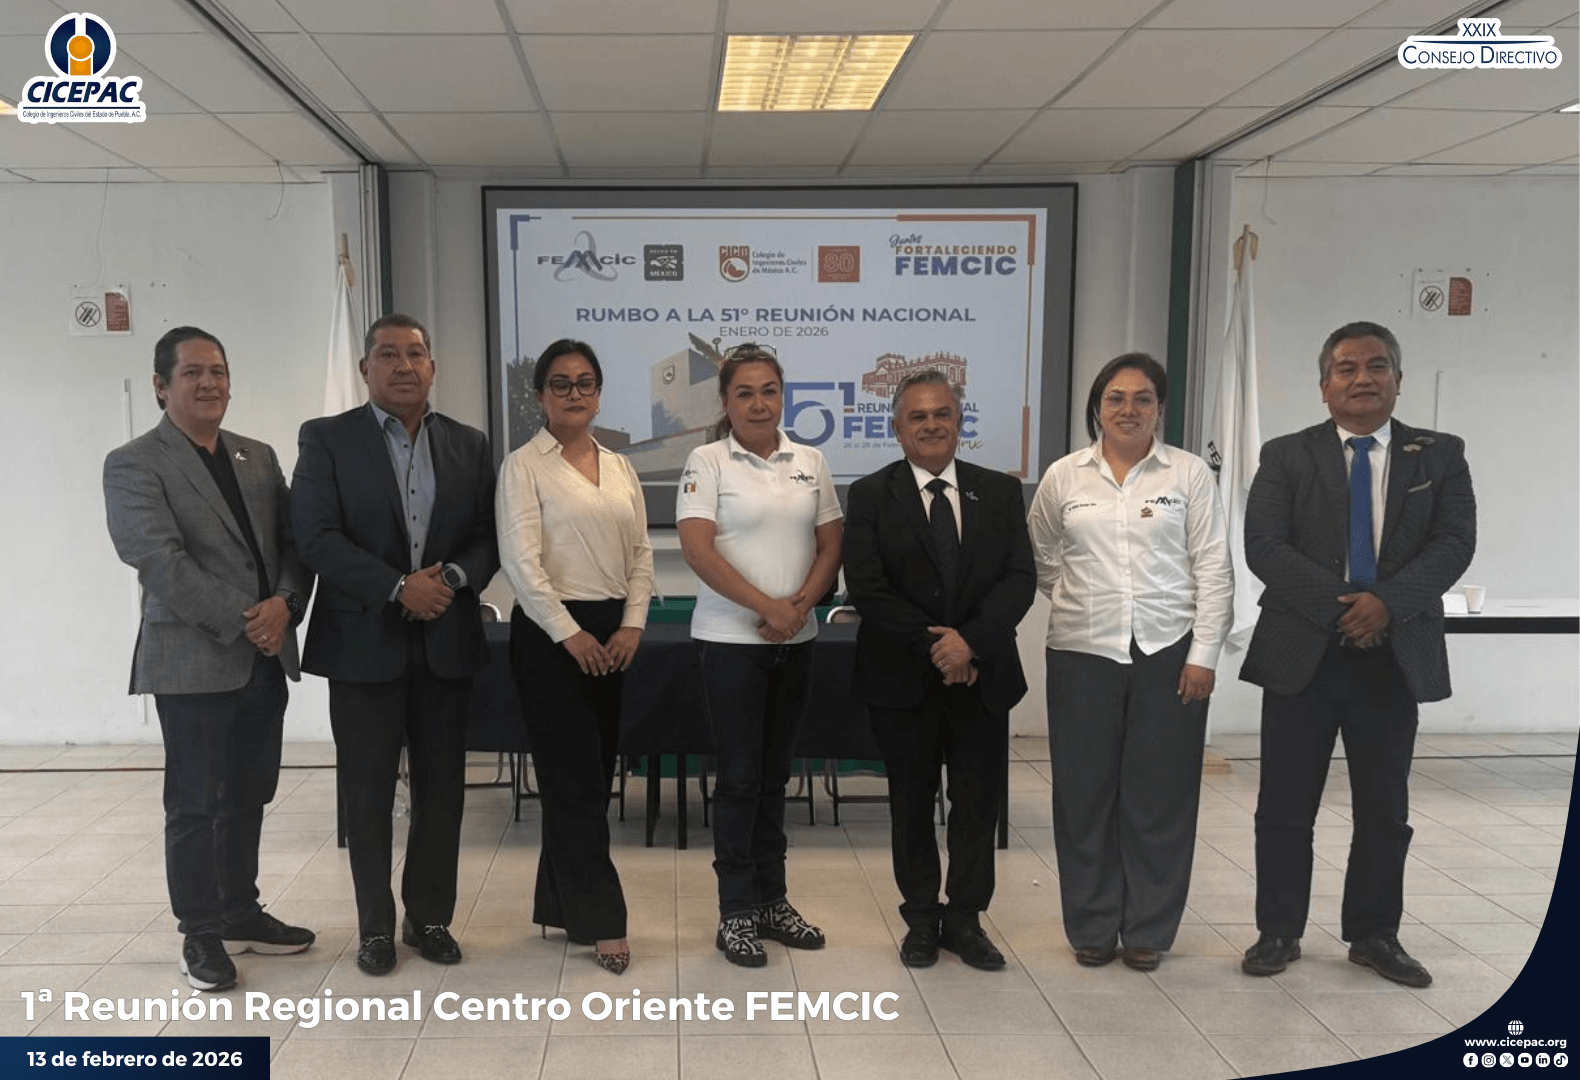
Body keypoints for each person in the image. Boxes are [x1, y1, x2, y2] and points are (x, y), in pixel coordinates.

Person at [1239, 321, 1475, 987]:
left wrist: (1387, 604)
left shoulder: (1440, 455)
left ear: (1398, 380)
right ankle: (1278, 931)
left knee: (1384, 810)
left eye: (1377, 366)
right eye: (1346, 368)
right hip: (1303, 651)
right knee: (1285, 807)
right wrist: (1347, 606)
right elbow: (1264, 546)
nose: (1362, 378)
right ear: (1324, 386)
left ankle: (1374, 935)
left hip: (1394, 653)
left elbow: (1455, 542)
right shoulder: (1286, 455)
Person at [103, 325, 316, 992]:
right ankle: (199, 933)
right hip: (194, 657)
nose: (209, 383)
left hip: (265, 654)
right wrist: (250, 619)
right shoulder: (135, 462)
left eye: (218, 371)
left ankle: (239, 912)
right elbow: (157, 559)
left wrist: (286, 603)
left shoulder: (257, 455)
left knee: (250, 792)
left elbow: (295, 543)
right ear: (162, 386)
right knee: (195, 802)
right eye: (192, 372)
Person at [292, 312, 499, 976]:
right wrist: (397, 587)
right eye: (388, 354)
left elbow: (489, 537)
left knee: (442, 793)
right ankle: (375, 927)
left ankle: (428, 918)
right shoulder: (327, 439)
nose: (403, 366)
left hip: (446, 639)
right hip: (362, 643)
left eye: (415, 354)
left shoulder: (469, 444)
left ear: (432, 366)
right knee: (367, 792)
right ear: (365, 369)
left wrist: (451, 580)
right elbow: (315, 536)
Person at [1027, 353, 1232, 971]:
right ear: (1097, 407)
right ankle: (1091, 926)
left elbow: (1213, 567)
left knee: (1160, 797)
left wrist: (1203, 654)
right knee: (1083, 795)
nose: (1128, 409)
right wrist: (1083, 597)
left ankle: (1148, 929)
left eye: (1143, 399)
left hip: (1168, 654)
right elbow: (1040, 555)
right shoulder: (1063, 476)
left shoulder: (1189, 474)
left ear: (1159, 409)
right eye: (1115, 398)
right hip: (1081, 653)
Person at [843, 370, 1035, 971]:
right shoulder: (870, 495)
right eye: (918, 416)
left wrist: (970, 644)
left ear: (960, 422)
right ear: (897, 429)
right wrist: (942, 648)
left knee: (977, 806)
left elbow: (1020, 579)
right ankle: (922, 919)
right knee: (911, 804)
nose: (931, 425)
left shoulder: (999, 492)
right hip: (903, 679)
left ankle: (966, 920)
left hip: (982, 676)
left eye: (942, 413)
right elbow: (868, 588)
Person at [676, 343, 843, 968]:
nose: (758, 403)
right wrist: (768, 608)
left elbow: (831, 544)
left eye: (768, 390)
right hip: (730, 644)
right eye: (744, 393)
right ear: (725, 401)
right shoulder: (707, 460)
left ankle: (773, 901)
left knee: (776, 778)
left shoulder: (810, 460)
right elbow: (698, 550)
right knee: (741, 780)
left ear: (783, 396)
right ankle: (736, 912)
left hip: (796, 642)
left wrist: (797, 607)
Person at [496, 339, 653, 975]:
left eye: (586, 382)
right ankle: (602, 920)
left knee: (588, 776)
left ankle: (559, 902)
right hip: (551, 637)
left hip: (612, 634)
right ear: (540, 396)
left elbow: (641, 554)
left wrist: (633, 625)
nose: (574, 393)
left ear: (599, 393)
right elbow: (521, 563)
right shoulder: (522, 466)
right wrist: (570, 634)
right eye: (560, 384)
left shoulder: (620, 466)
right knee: (575, 782)